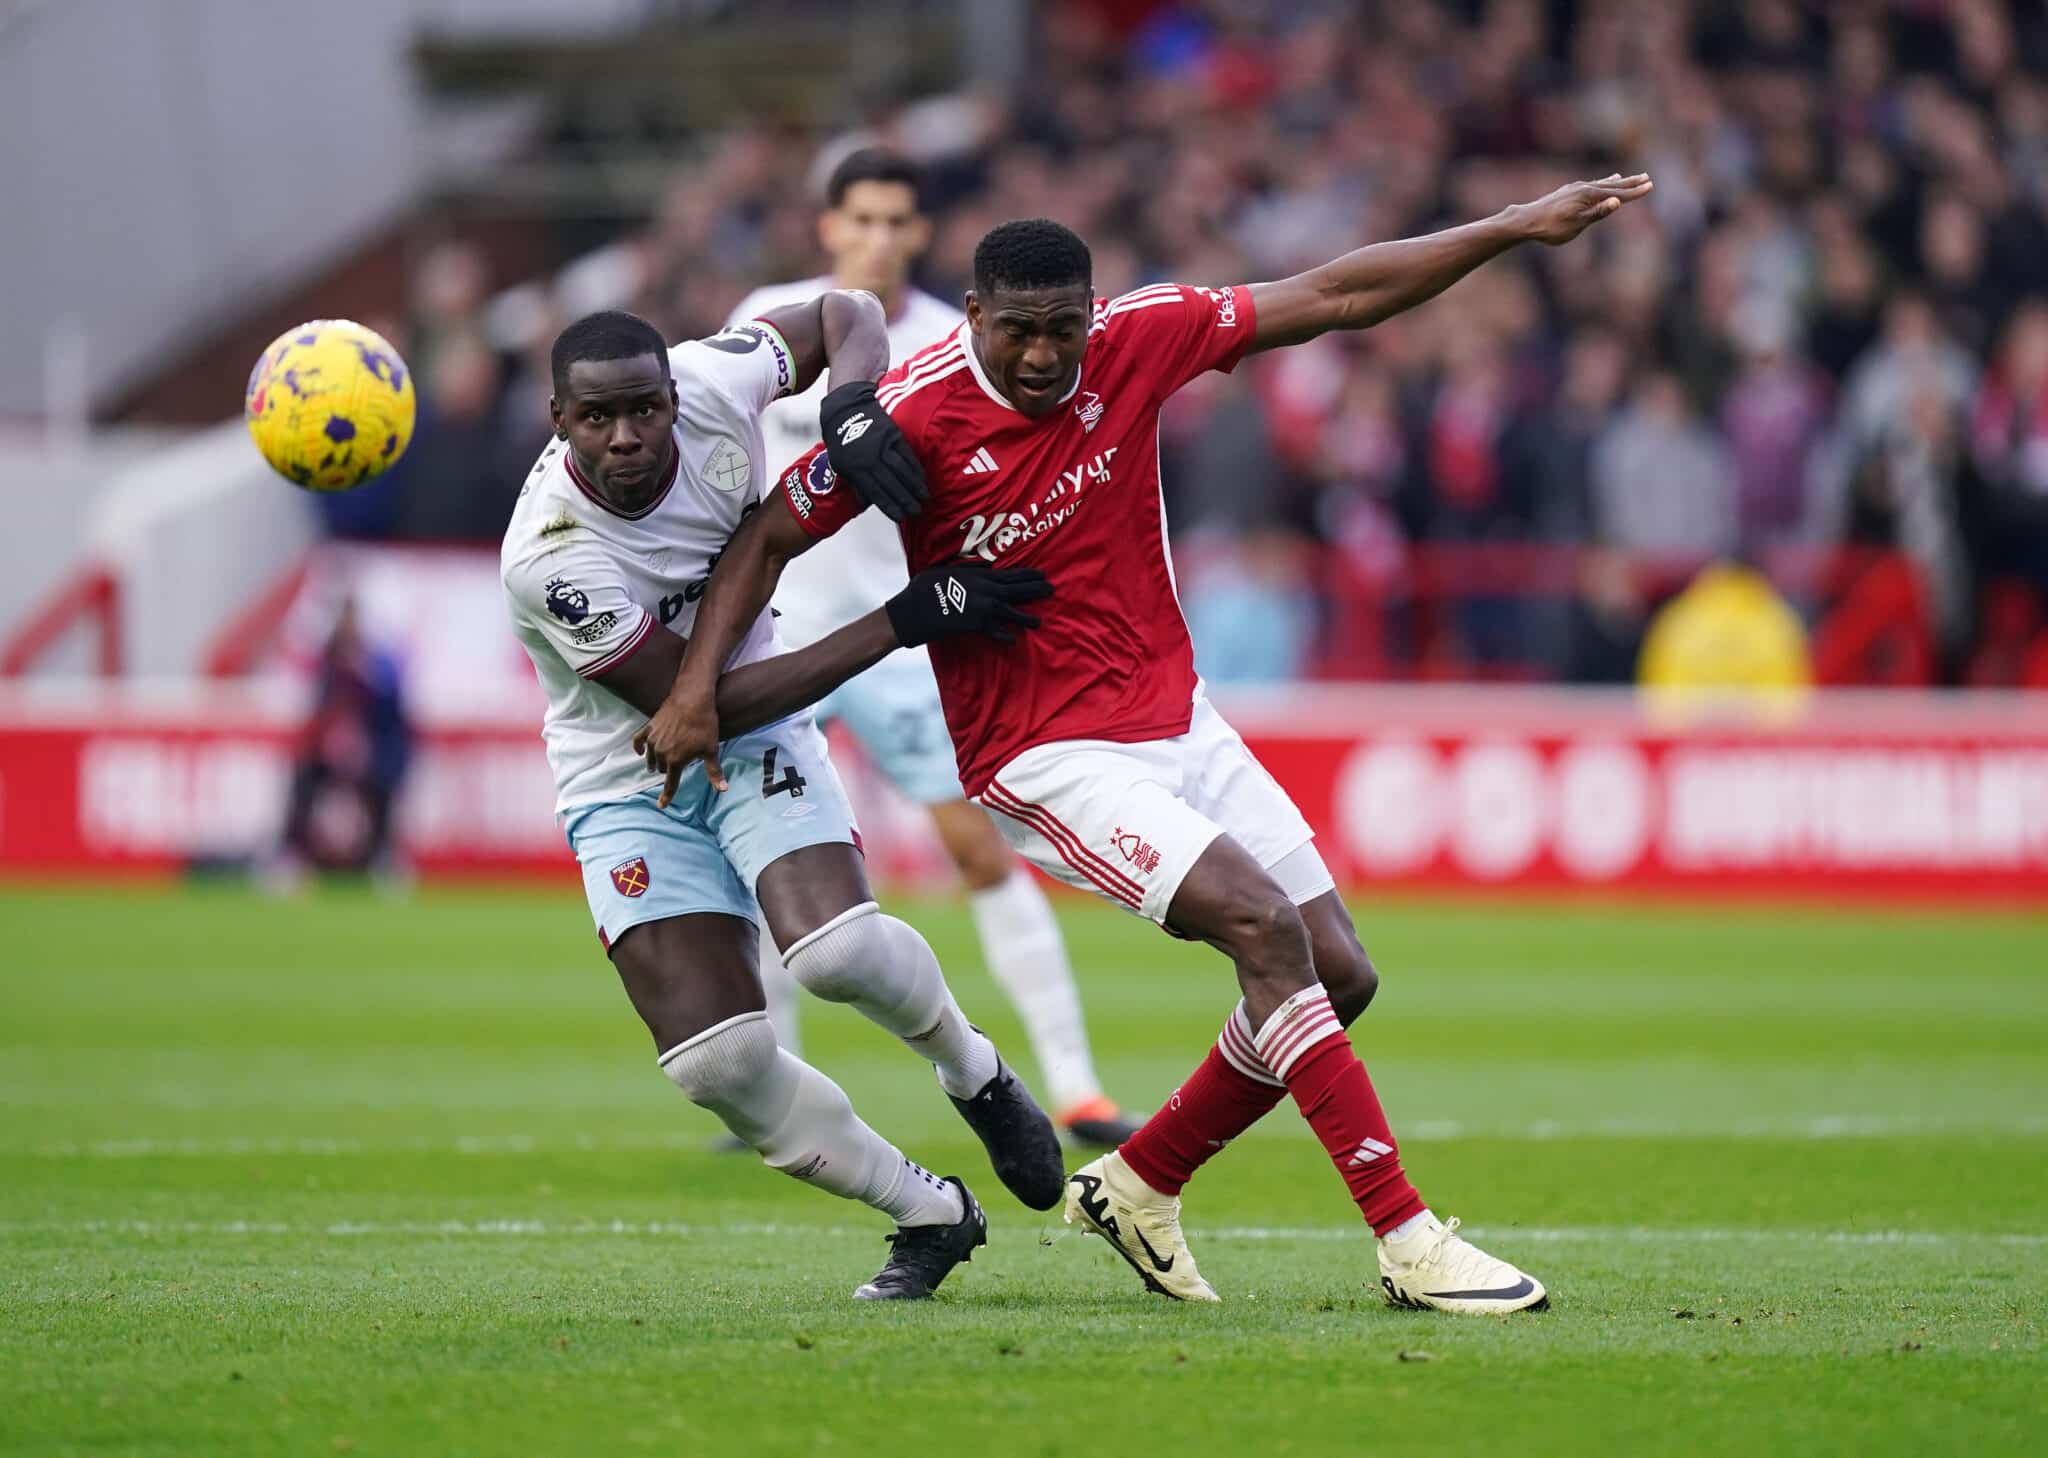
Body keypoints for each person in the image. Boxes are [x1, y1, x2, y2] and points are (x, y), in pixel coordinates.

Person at [651, 173, 1655, 1314]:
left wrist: (1514, 226)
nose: (1043, 358)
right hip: (1040, 751)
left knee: (1339, 973)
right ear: (973, 319)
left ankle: (1141, 1180)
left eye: (1062, 331)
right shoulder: (918, 417)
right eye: (1018, 333)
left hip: (1178, 716)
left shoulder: (1139, 337)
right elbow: (767, 536)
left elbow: (1335, 293)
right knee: (1261, 929)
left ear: (1092, 314)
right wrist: (693, 692)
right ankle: (1406, 1239)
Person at [500, 303, 1064, 1301]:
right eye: (596, 420)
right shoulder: (549, 554)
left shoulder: (721, 380)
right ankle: (929, 1211)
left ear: (675, 397)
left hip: (760, 731)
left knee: (836, 953)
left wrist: (848, 399)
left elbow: (845, 312)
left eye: (643, 411)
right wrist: (900, 619)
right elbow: (691, 707)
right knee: (716, 1067)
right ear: (556, 419)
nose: (625, 437)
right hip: (622, 771)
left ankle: (972, 1070)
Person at [726, 148, 1143, 1148]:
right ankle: (763, 1095)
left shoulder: (954, 342)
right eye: (859, 219)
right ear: (828, 227)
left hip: (905, 639)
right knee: (753, 855)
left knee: (977, 850)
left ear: (918, 234)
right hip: (780, 639)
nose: (877, 237)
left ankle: (1077, 1088)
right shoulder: (766, 323)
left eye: (896, 221)